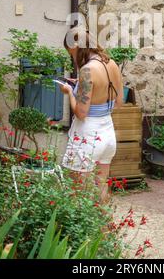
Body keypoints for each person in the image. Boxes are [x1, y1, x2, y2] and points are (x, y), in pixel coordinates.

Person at [59, 26, 123, 202]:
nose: (72, 58)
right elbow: (119, 102)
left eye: (71, 53)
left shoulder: (87, 71)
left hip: (88, 136)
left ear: (77, 49)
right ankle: (103, 229)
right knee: (101, 188)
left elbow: (81, 113)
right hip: (107, 133)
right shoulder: (111, 64)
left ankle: (84, 230)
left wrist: (71, 92)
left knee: (79, 193)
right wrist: (80, 85)